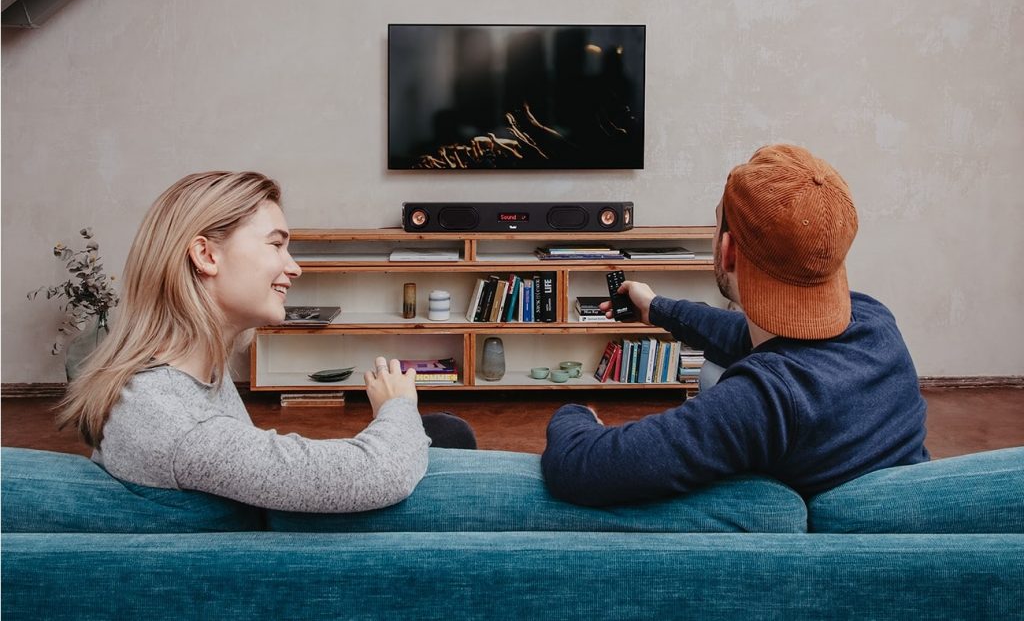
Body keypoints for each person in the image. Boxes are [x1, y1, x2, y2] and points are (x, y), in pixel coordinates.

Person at [57, 170, 475, 514]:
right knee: (441, 436)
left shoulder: (190, 378)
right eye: (276, 244)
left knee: (444, 434)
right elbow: (379, 474)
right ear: (205, 256)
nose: (293, 268)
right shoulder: (174, 418)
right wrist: (397, 406)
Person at [542, 144, 929, 505]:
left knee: (711, 376)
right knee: (713, 369)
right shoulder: (875, 321)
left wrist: (576, 413)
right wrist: (654, 307)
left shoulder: (760, 402)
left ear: (728, 252)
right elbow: (745, 337)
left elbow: (582, 465)